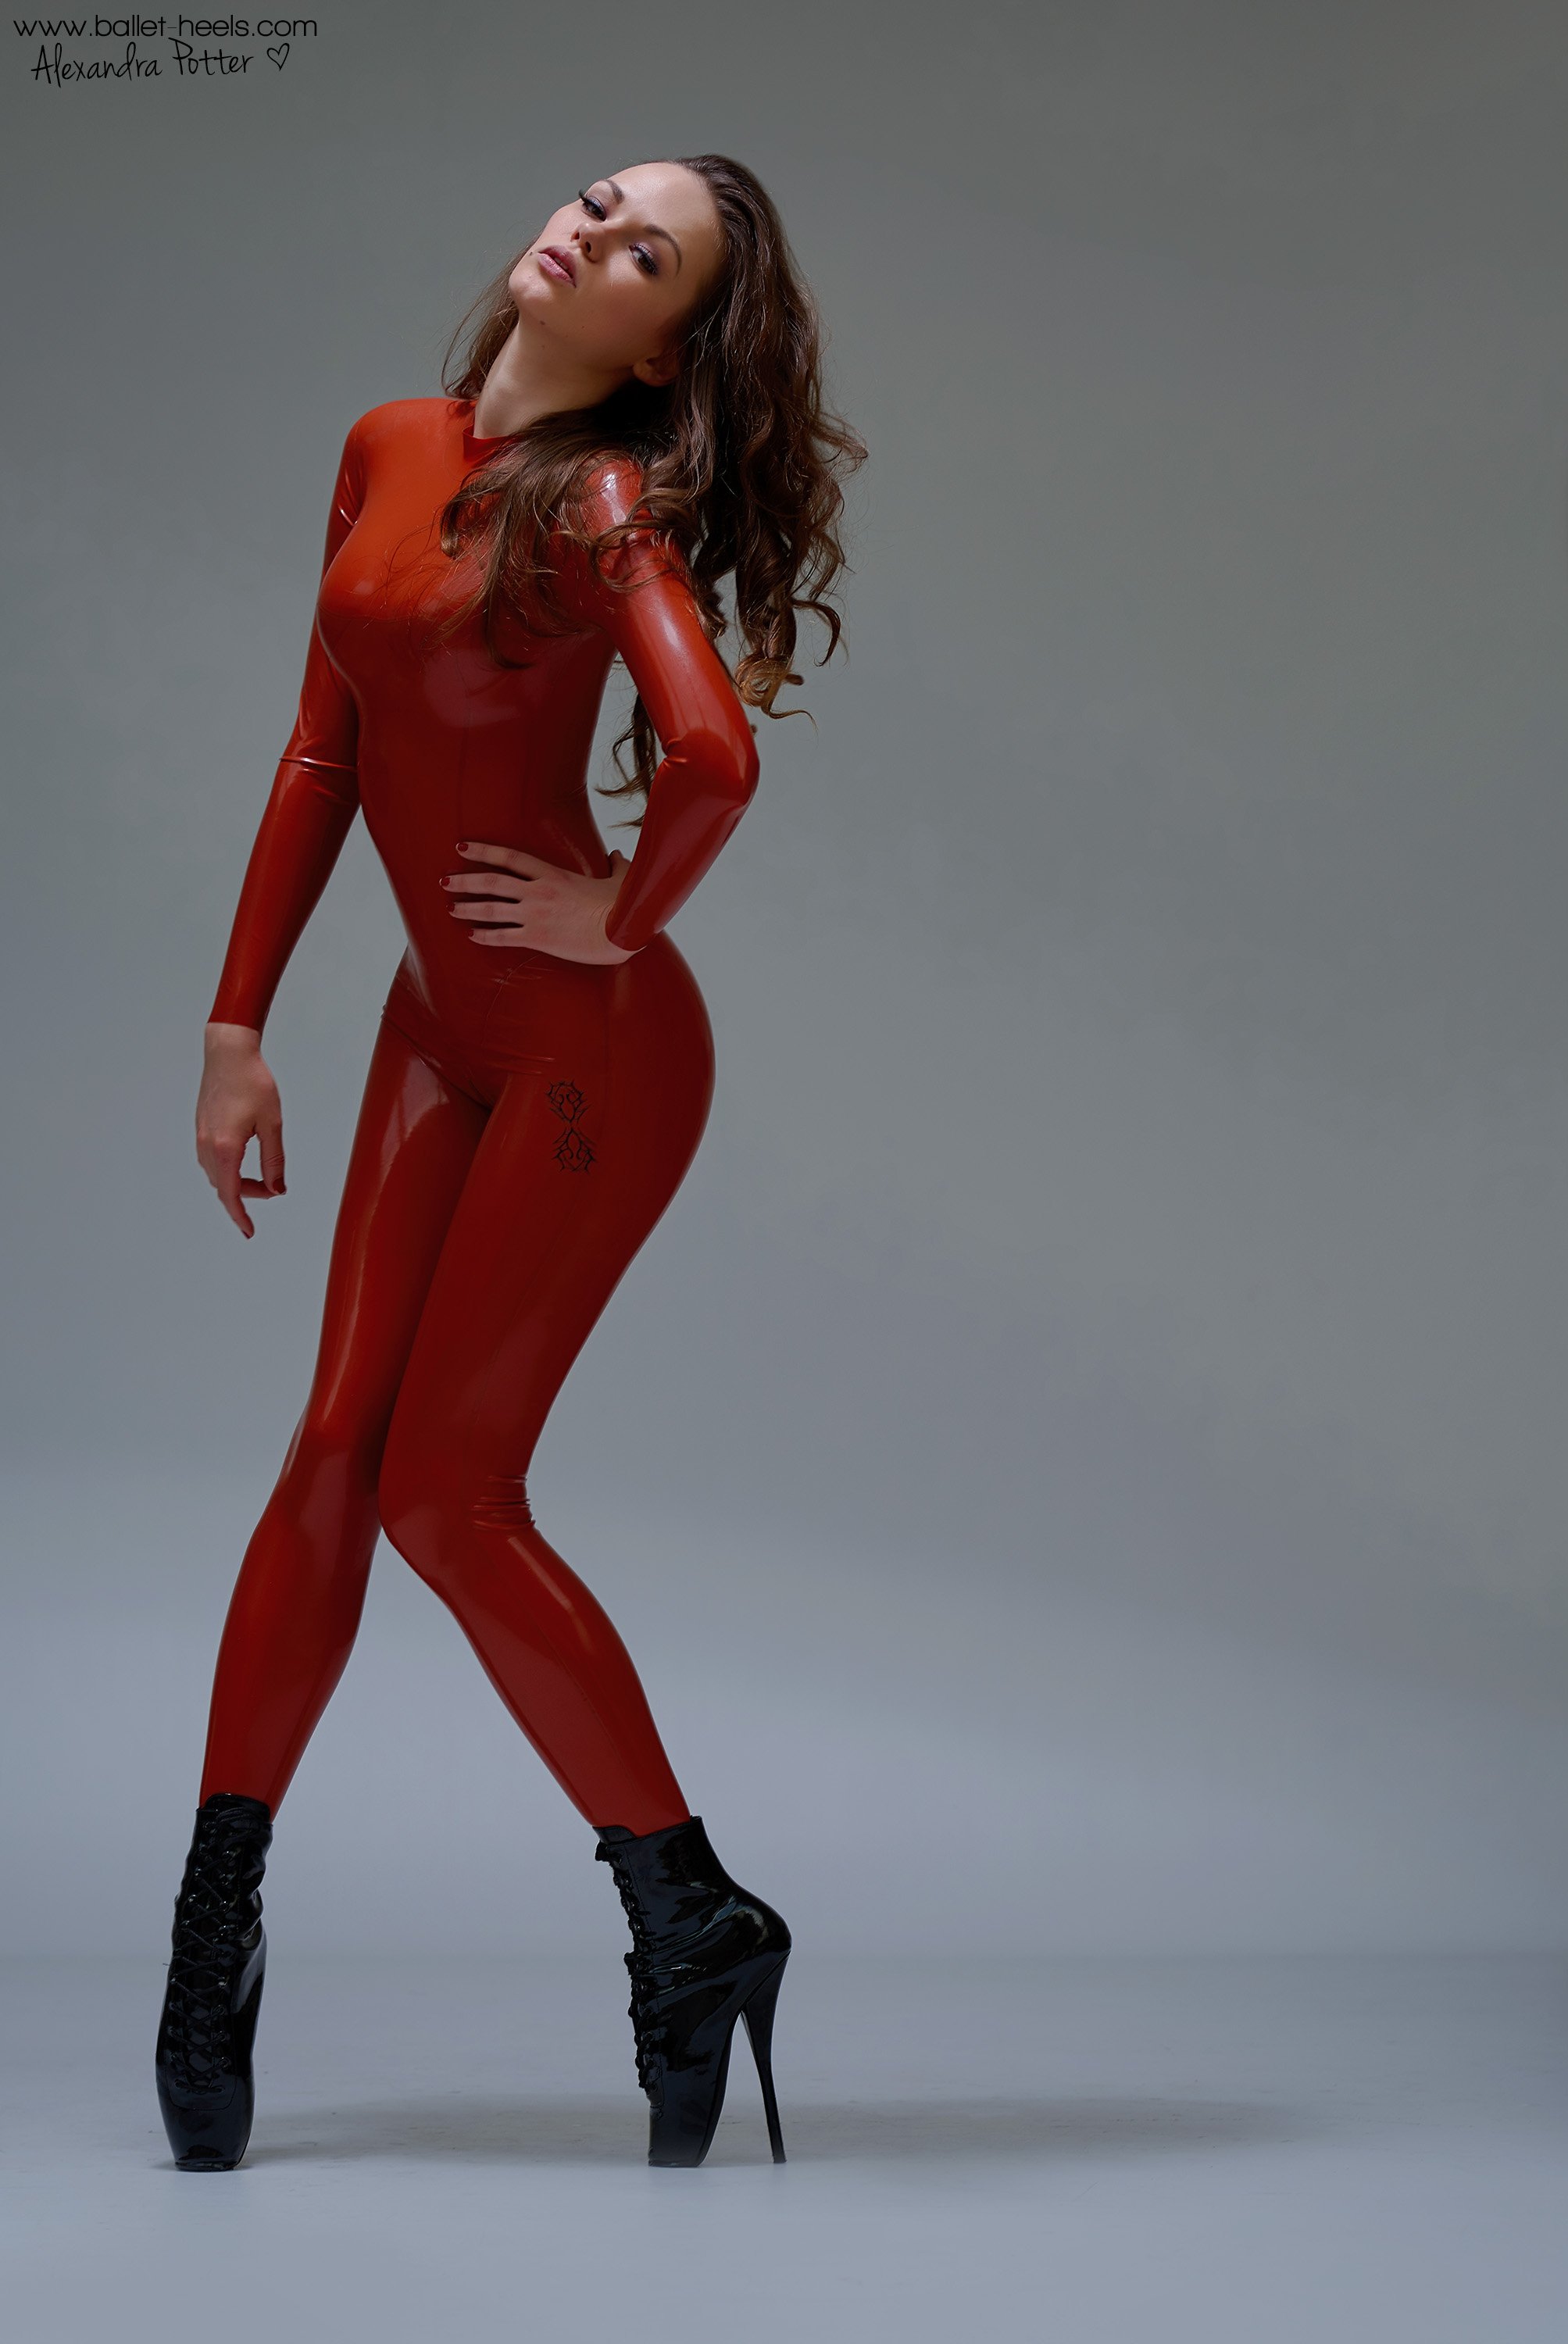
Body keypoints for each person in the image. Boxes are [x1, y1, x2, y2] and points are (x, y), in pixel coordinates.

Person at [153, 153, 865, 2175]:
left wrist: (620, 917)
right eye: (603, 202)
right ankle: (215, 1929)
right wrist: (235, 1027)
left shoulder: (600, 499)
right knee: (332, 1451)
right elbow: (326, 747)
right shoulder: (390, 446)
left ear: (662, 346)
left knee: (447, 1498)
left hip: (588, 1056)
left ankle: (687, 1910)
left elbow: (713, 753)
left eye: (647, 254)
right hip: (432, 1034)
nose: (592, 234)